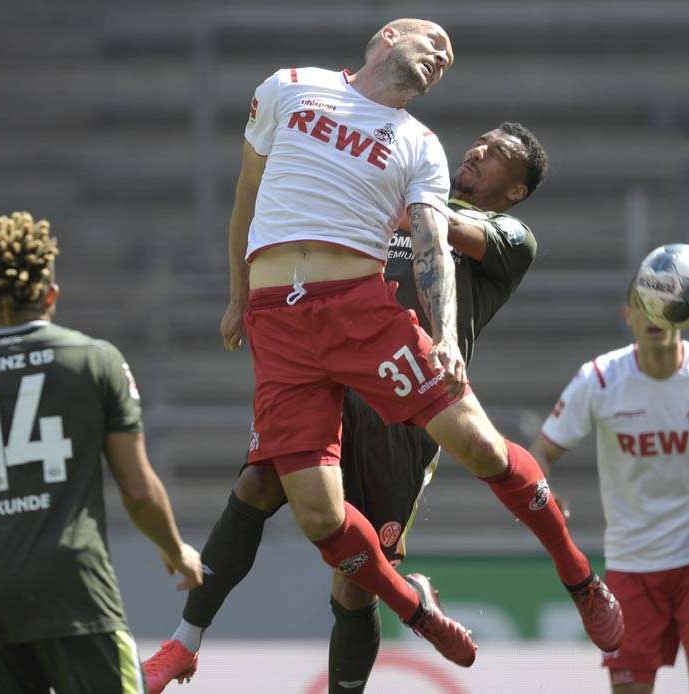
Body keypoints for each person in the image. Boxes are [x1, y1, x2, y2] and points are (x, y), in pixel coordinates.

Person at [145, 17, 621, 690]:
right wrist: (240, 291)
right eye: (480, 143)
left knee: (357, 584)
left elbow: (436, 232)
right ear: (387, 34)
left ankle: (577, 577)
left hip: (389, 392)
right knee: (261, 486)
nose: (479, 153)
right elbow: (254, 195)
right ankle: (188, 639)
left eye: (496, 157)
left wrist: (446, 332)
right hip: (300, 335)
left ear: (515, 190)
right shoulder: (304, 99)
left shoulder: (503, 232)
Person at [0, 211, 204, 694]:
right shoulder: (95, 361)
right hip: (78, 594)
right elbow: (139, 489)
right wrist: (173, 547)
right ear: (51, 296)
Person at [530, 280, 689, 694]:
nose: (652, 314)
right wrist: (543, 494)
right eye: (641, 305)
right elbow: (539, 452)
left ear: (683, 314)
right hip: (633, 558)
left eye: (663, 305)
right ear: (627, 315)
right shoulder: (600, 380)